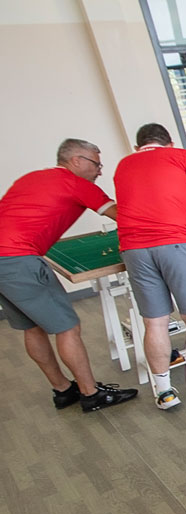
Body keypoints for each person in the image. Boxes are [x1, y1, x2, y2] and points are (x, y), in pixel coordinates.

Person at [0, 139, 138, 412]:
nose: (100, 171)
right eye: (96, 164)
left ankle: (63, 390)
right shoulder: (77, 185)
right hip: (18, 259)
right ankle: (91, 394)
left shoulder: (33, 178)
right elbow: (123, 216)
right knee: (68, 328)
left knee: (32, 326)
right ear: (76, 160)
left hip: (4, 259)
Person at [112, 123, 186, 410]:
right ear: (168, 143)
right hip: (175, 244)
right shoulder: (181, 156)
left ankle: (164, 391)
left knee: (155, 323)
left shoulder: (123, 165)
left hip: (133, 249)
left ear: (138, 147)